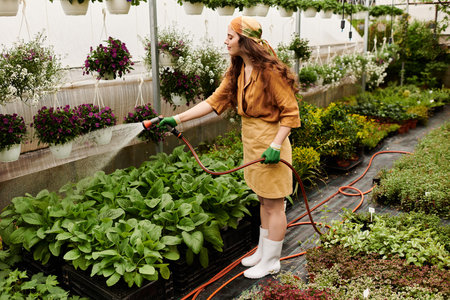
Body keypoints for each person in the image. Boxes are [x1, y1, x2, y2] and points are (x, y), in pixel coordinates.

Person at [159, 16, 300, 279]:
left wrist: (276, 145)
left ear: (245, 41)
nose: (225, 41)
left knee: (274, 204)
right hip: (252, 140)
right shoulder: (237, 70)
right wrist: (176, 119)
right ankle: (262, 250)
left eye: (230, 37)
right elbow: (214, 102)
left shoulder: (270, 72)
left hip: (271, 141)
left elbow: (290, 114)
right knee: (262, 198)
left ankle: (272, 260)